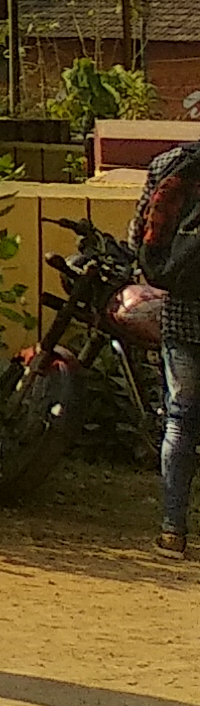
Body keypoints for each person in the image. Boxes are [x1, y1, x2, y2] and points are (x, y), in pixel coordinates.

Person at [140, 134, 200, 555]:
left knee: (179, 420)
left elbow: (140, 238)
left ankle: (172, 530)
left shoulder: (170, 163)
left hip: (182, 314)